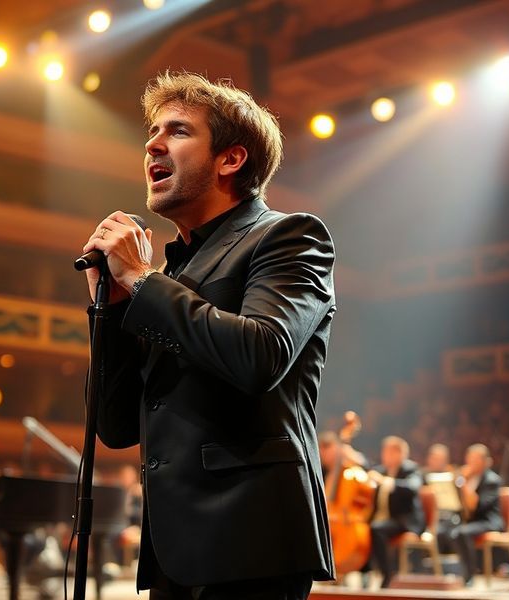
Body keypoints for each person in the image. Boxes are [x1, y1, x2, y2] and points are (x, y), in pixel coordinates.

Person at [82, 71, 336, 599]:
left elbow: (261, 353)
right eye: (152, 132)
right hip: (174, 548)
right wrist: (111, 311)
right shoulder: (168, 276)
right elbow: (115, 425)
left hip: (251, 540)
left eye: (177, 131)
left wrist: (141, 281)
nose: (152, 143)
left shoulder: (289, 237)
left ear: (231, 159)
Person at [366, 436, 424, 588]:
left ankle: (387, 574)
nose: (385, 456)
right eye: (384, 452)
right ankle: (364, 573)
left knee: (376, 529)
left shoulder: (411, 469)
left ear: (400, 454)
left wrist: (386, 482)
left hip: (404, 521)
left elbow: (412, 488)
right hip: (382, 518)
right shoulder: (380, 470)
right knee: (361, 529)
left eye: (390, 452)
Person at [448, 444, 503, 585]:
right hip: (472, 522)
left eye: (475, 459)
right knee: (447, 531)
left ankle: (470, 574)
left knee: (461, 533)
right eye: (469, 458)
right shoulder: (467, 478)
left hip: (488, 521)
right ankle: (457, 571)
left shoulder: (492, 480)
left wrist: (464, 483)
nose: (470, 462)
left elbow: (477, 506)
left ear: (485, 461)